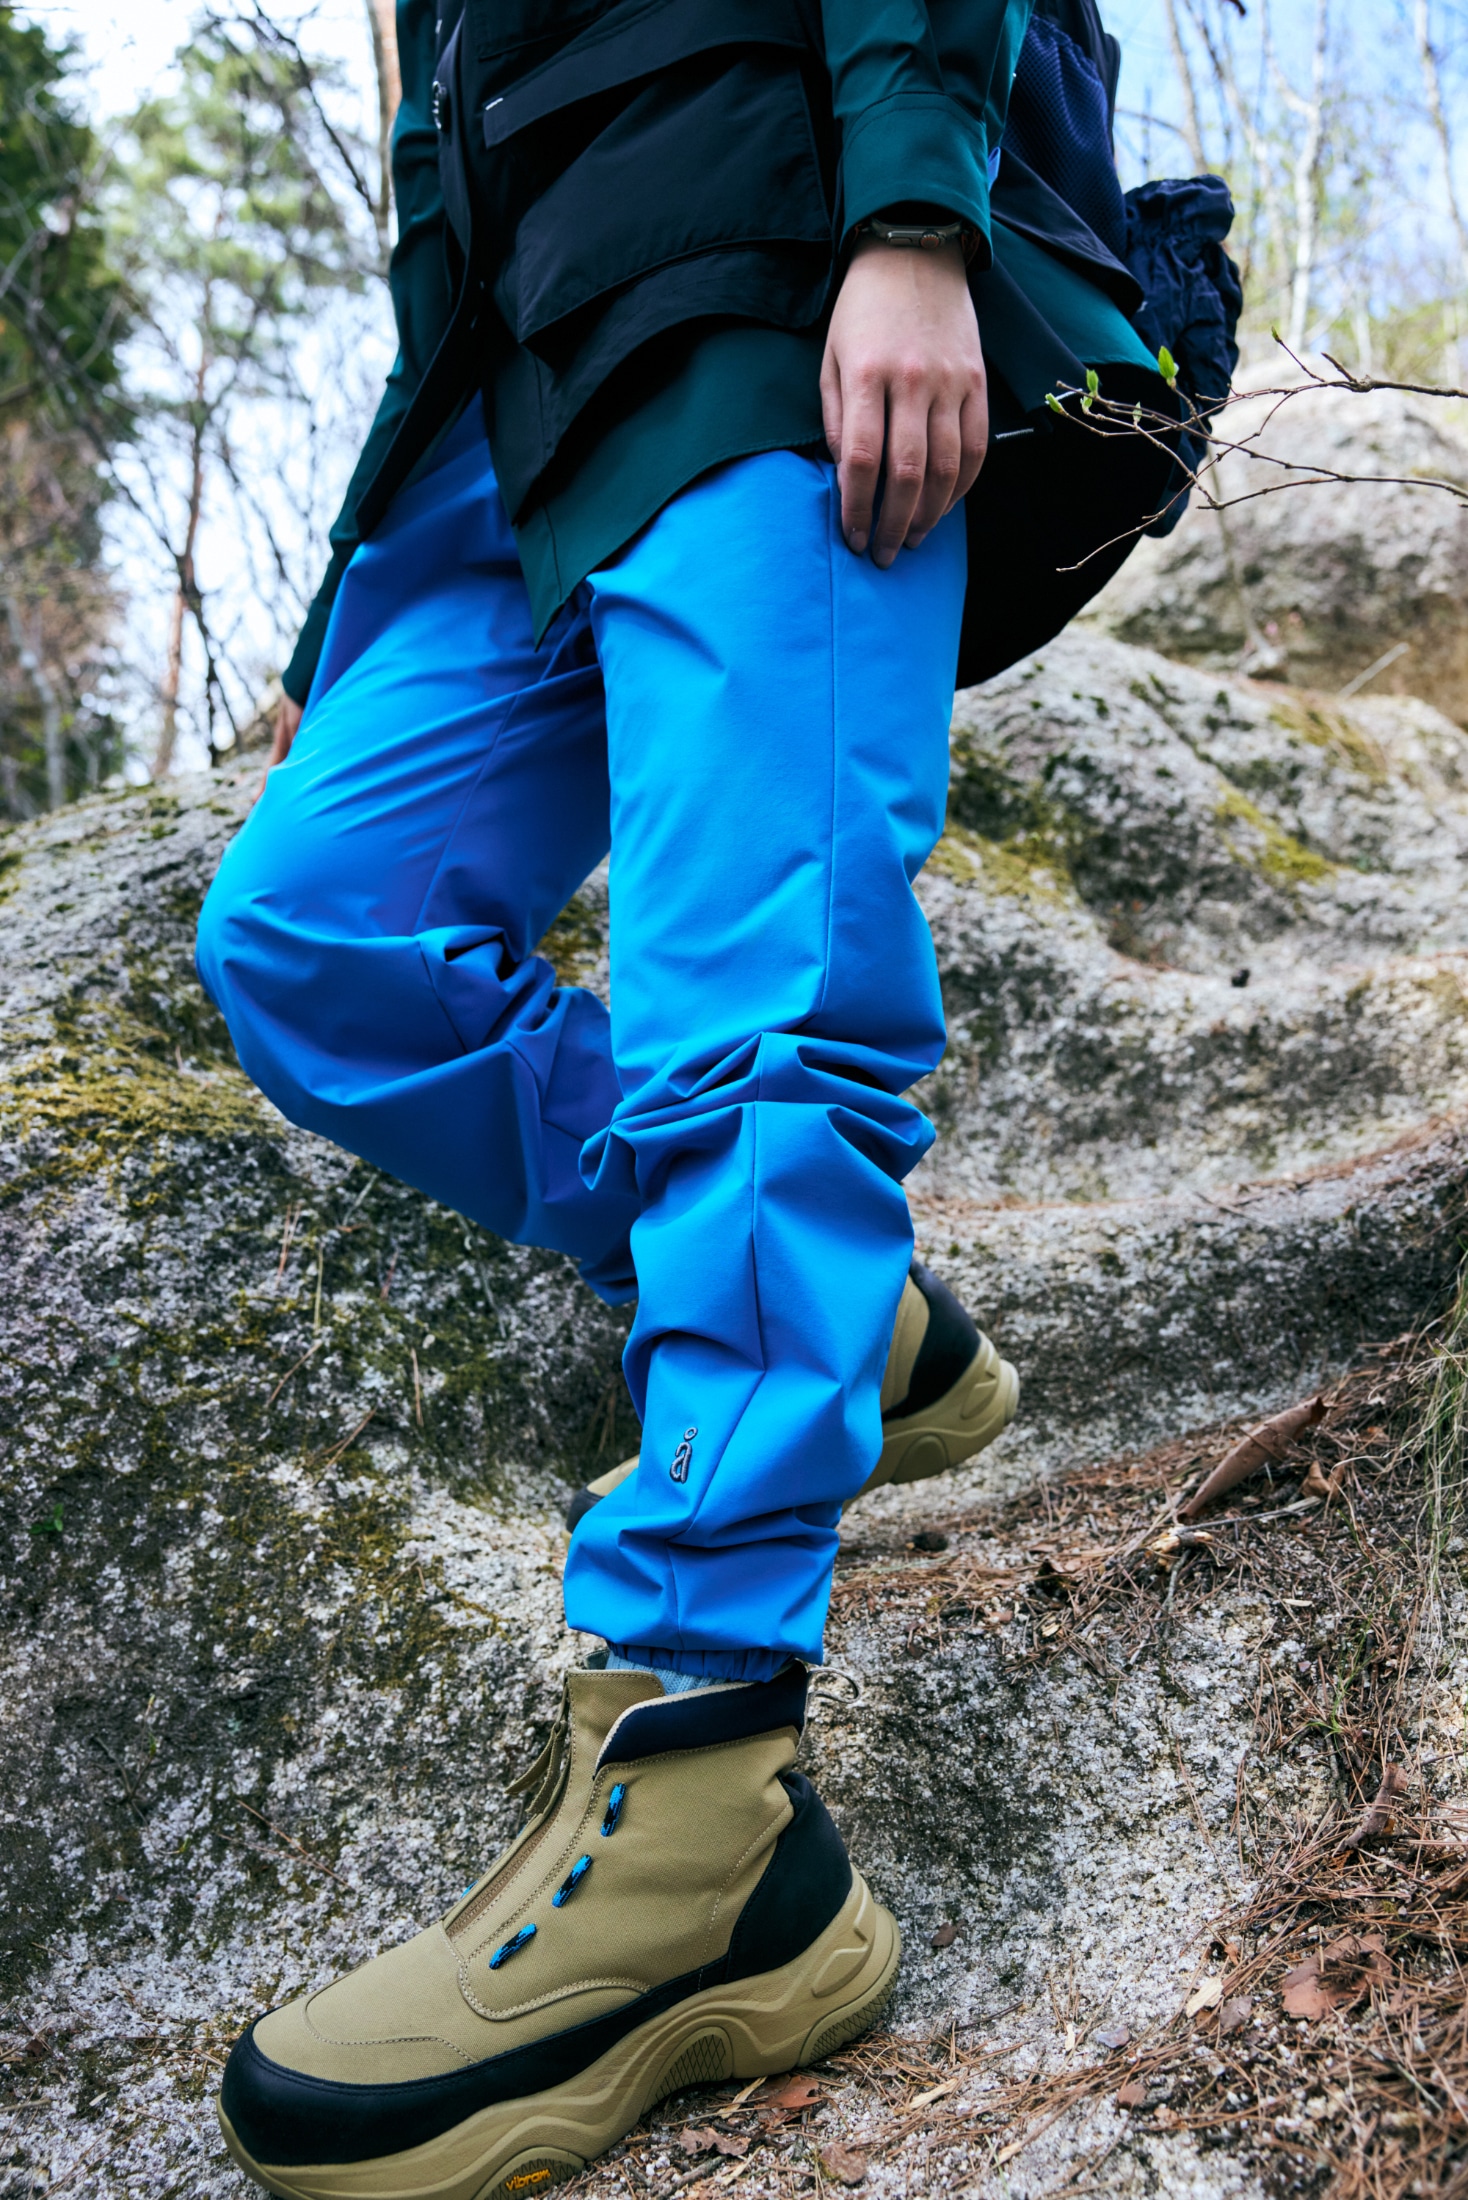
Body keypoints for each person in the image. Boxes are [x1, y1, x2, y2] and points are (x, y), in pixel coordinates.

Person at [200, 4, 1177, 2193]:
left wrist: (910, 216)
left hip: (769, 273)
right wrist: (345, 596)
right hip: (512, 400)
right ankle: (831, 1304)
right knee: (308, 935)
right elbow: (454, 145)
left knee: (749, 1014)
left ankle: (706, 1810)